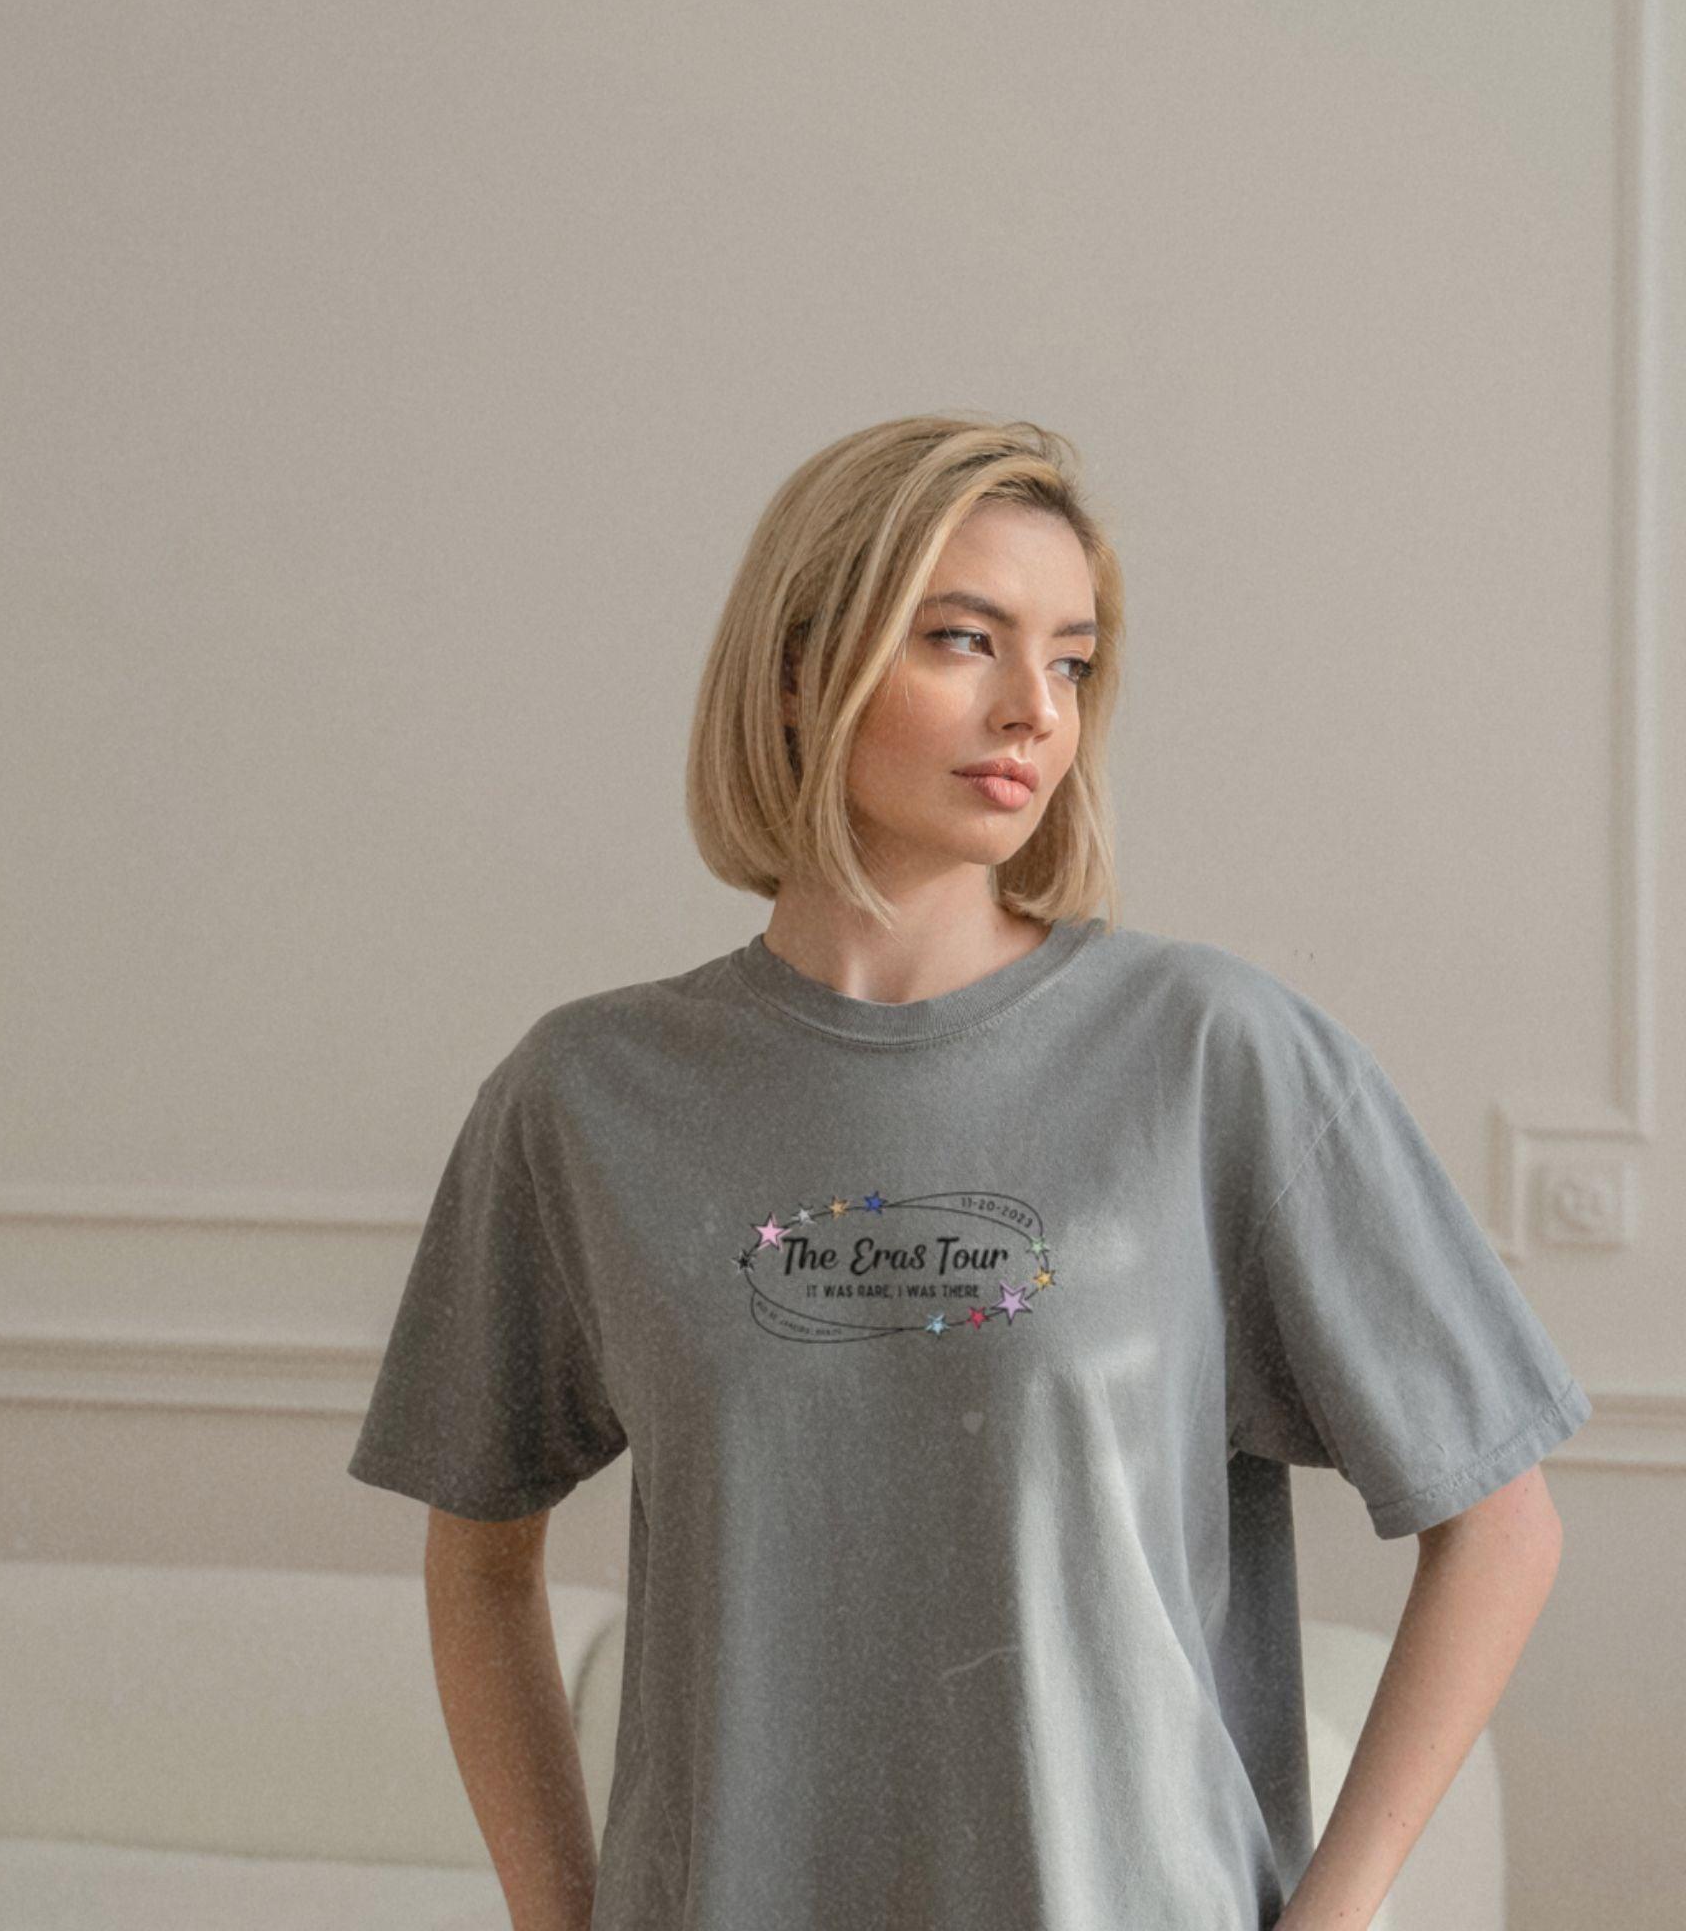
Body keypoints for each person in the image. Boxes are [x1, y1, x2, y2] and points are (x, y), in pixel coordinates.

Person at [347, 413, 1589, 1931]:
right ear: (800, 671)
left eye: (1069, 660)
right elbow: (479, 1562)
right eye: (963, 639)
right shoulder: (589, 1096)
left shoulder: (1213, 1056)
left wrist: (1332, 1915)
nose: (1032, 712)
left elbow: (1502, 1524)